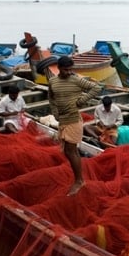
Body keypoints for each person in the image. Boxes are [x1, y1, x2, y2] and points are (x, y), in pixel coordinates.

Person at [48, 55, 102, 196]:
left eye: (71, 69)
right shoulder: (53, 81)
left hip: (73, 119)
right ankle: (78, 178)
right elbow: (51, 98)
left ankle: (79, 180)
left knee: (71, 150)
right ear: (59, 68)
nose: (69, 72)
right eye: (66, 70)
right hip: (62, 120)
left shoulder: (76, 79)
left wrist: (81, 101)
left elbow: (96, 88)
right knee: (67, 151)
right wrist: (55, 113)